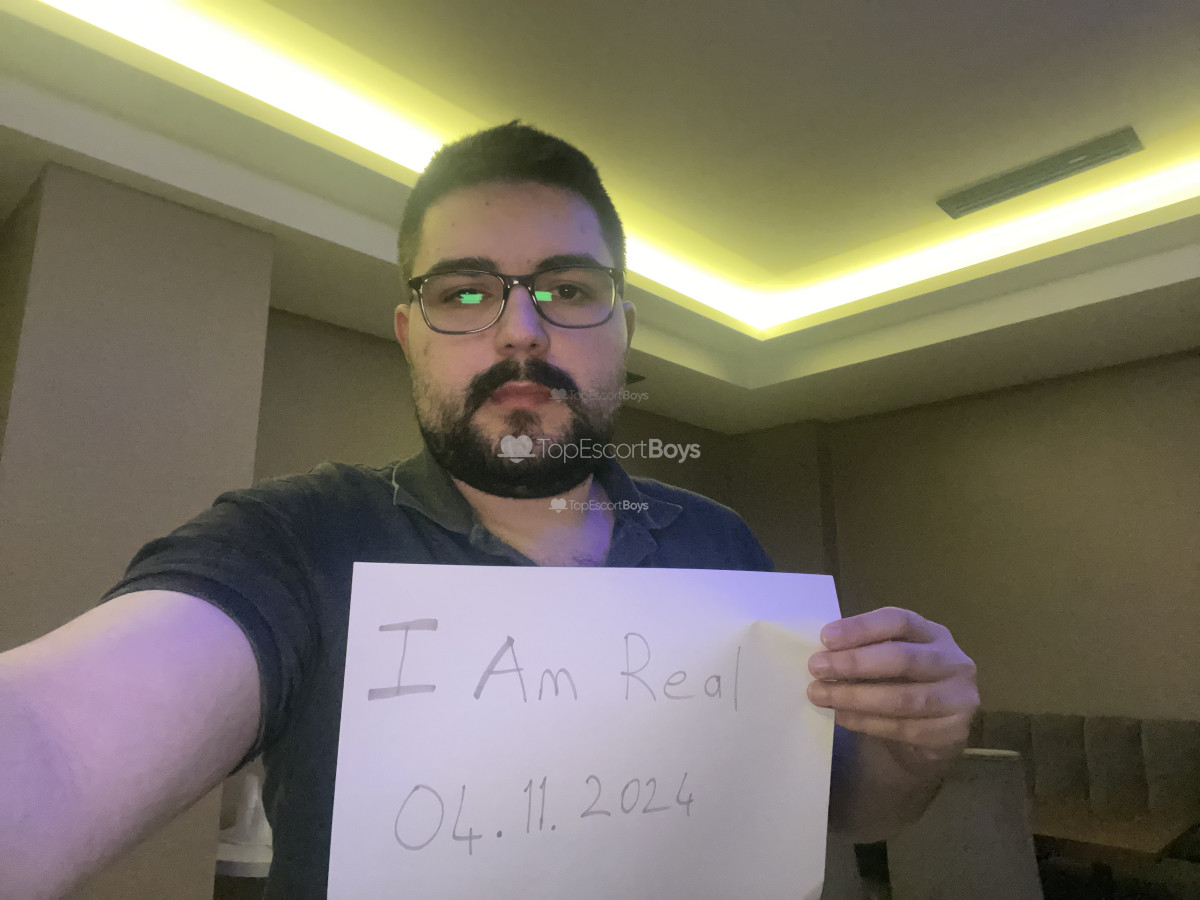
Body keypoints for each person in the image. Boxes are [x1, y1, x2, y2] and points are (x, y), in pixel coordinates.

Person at [0, 123, 979, 898]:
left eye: (569, 288)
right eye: (466, 292)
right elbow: (53, 744)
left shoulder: (721, 544)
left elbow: (848, 809)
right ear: (409, 334)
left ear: (624, 332)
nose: (520, 330)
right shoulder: (295, 542)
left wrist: (913, 751)